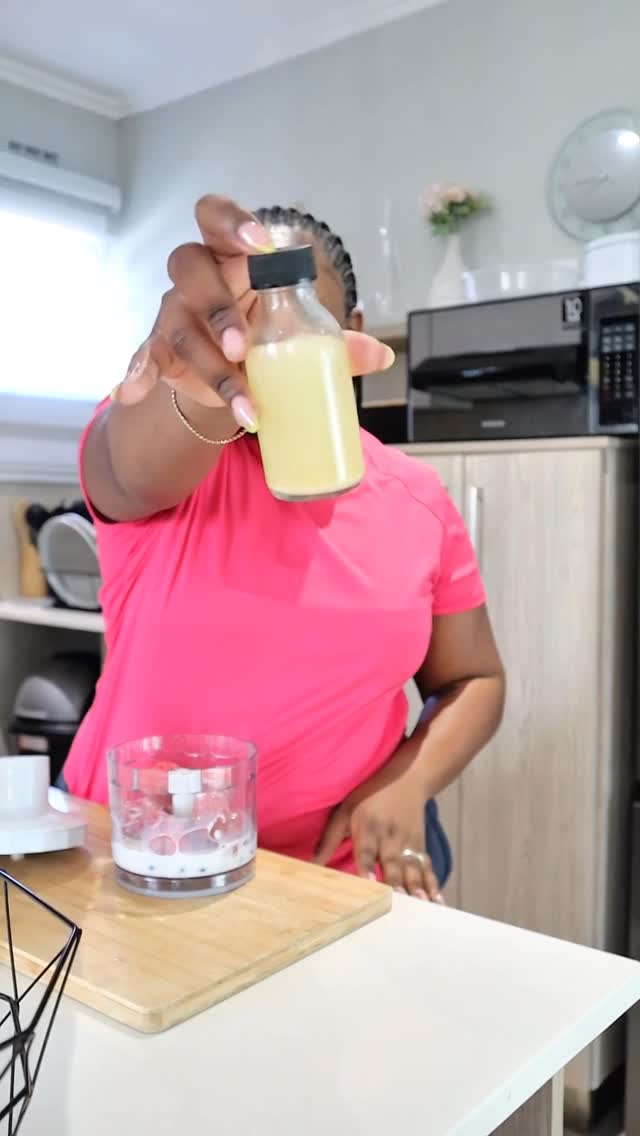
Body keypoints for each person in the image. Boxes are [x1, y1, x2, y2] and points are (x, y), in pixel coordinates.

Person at [61, 195, 505, 901]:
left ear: (350, 332)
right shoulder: (176, 459)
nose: (267, 348)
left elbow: (475, 678)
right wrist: (196, 387)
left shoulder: (416, 499)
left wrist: (408, 780)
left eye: (298, 317)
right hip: (136, 859)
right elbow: (133, 467)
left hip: (329, 875)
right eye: (247, 326)